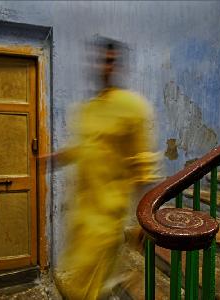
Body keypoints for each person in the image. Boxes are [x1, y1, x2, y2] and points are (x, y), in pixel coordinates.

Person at [51, 37, 160, 300]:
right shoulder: (87, 110)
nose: (104, 67)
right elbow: (86, 148)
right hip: (81, 215)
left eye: (110, 61)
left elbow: (142, 167)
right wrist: (54, 157)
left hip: (107, 217)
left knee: (88, 288)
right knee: (80, 283)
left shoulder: (133, 107)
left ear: (118, 66)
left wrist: (146, 220)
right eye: (100, 60)